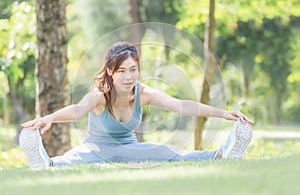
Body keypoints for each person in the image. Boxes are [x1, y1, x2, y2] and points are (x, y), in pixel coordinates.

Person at [19, 41, 253, 169]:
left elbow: (181, 105)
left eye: (133, 69)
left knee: (167, 153)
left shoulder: (145, 93)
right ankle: (43, 161)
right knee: (66, 162)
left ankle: (221, 153)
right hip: (95, 150)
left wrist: (224, 114)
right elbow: (77, 110)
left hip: (131, 149)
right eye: (122, 71)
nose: (129, 77)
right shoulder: (100, 94)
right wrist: (48, 118)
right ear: (110, 71)